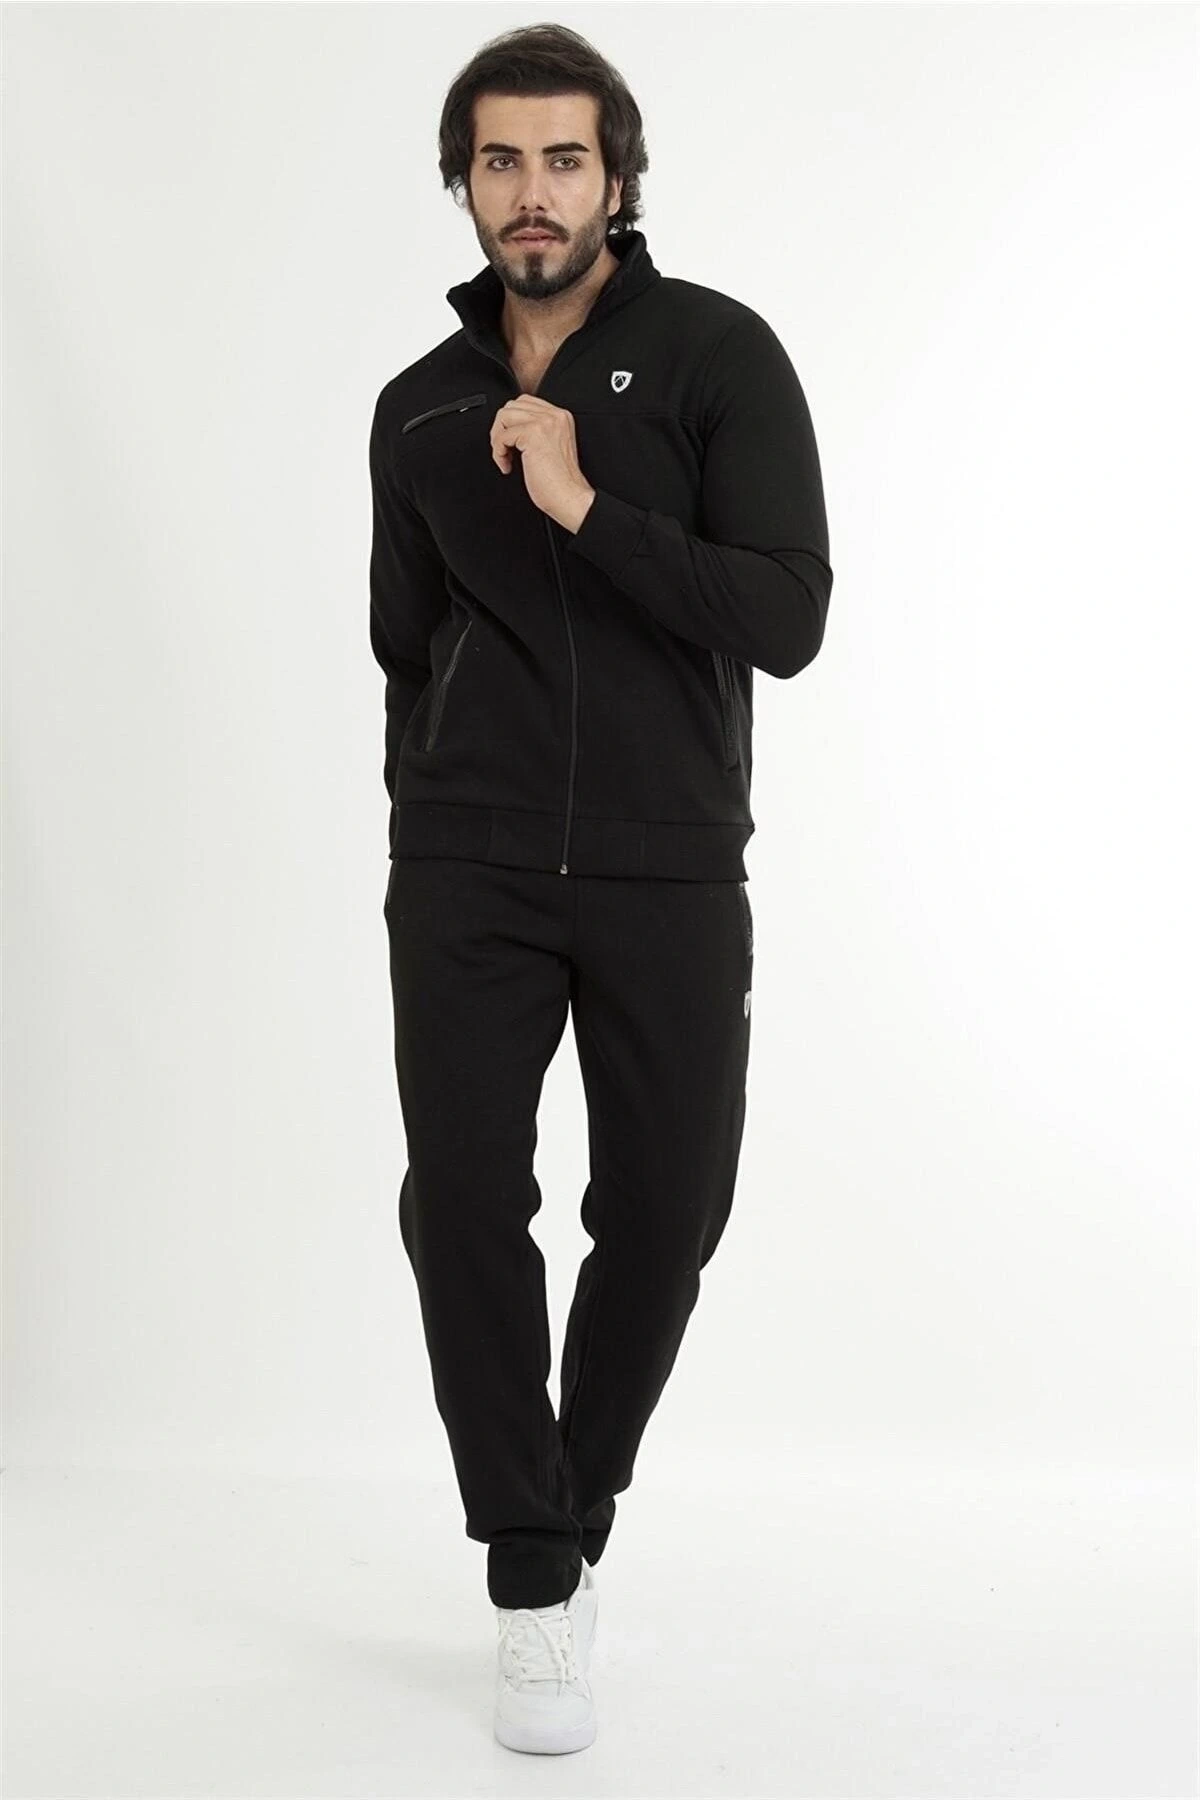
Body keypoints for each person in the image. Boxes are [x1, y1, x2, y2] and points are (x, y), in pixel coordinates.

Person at [368, 22, 832, 1756]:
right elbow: (405, 648)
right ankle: (529, 1570)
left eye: (564, 159)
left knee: (668, 1212)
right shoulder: (419, 407)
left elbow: (786, 614)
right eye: (500, 160)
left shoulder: (719, 354)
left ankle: (576, 1503)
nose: (533, 192)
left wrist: (579, 504)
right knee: (461, 1204)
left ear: (617, 178)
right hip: (467, 870)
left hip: (667, 867)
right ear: (464, 183)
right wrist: (428, 821)